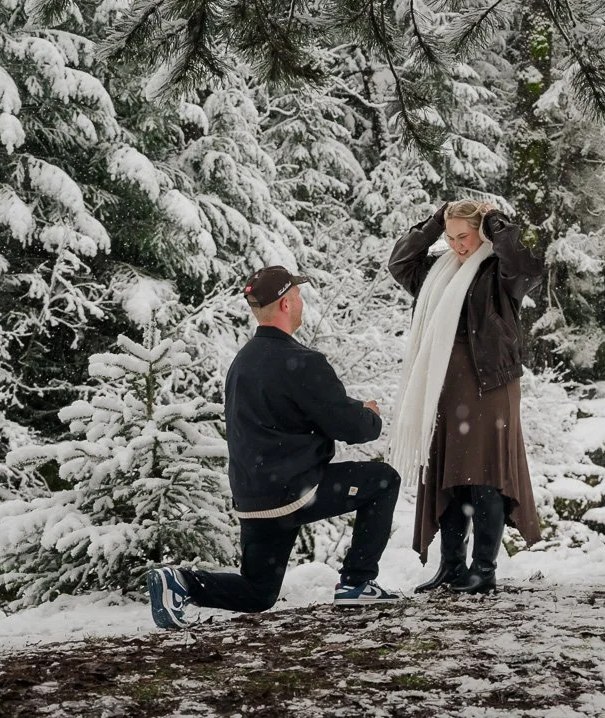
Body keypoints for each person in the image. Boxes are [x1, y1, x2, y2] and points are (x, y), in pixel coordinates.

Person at [147, 265, 401, 629]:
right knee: (383, 480)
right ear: (284, 304)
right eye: (297, 297)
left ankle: (181, 582)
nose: (300, 304)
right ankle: (357, 583)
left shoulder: (243, 362)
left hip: (254, 496)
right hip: (295, 491)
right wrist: (369, 414)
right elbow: (353, 428)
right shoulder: (303, 363)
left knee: (257, 593)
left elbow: (280, 416)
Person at [388, 200, 543, 595]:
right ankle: (452, 566)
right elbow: (400, 263)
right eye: (450, 236)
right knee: (451, 476)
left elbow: (526, 267)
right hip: (444, 386)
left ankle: (484, 569)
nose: (457, 245)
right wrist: (433, 223)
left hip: (489, 386)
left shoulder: (498, 272)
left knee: (485, 474)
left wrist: (496, 223)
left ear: (481, 234)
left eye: (465, 236)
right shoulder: (436, 272)